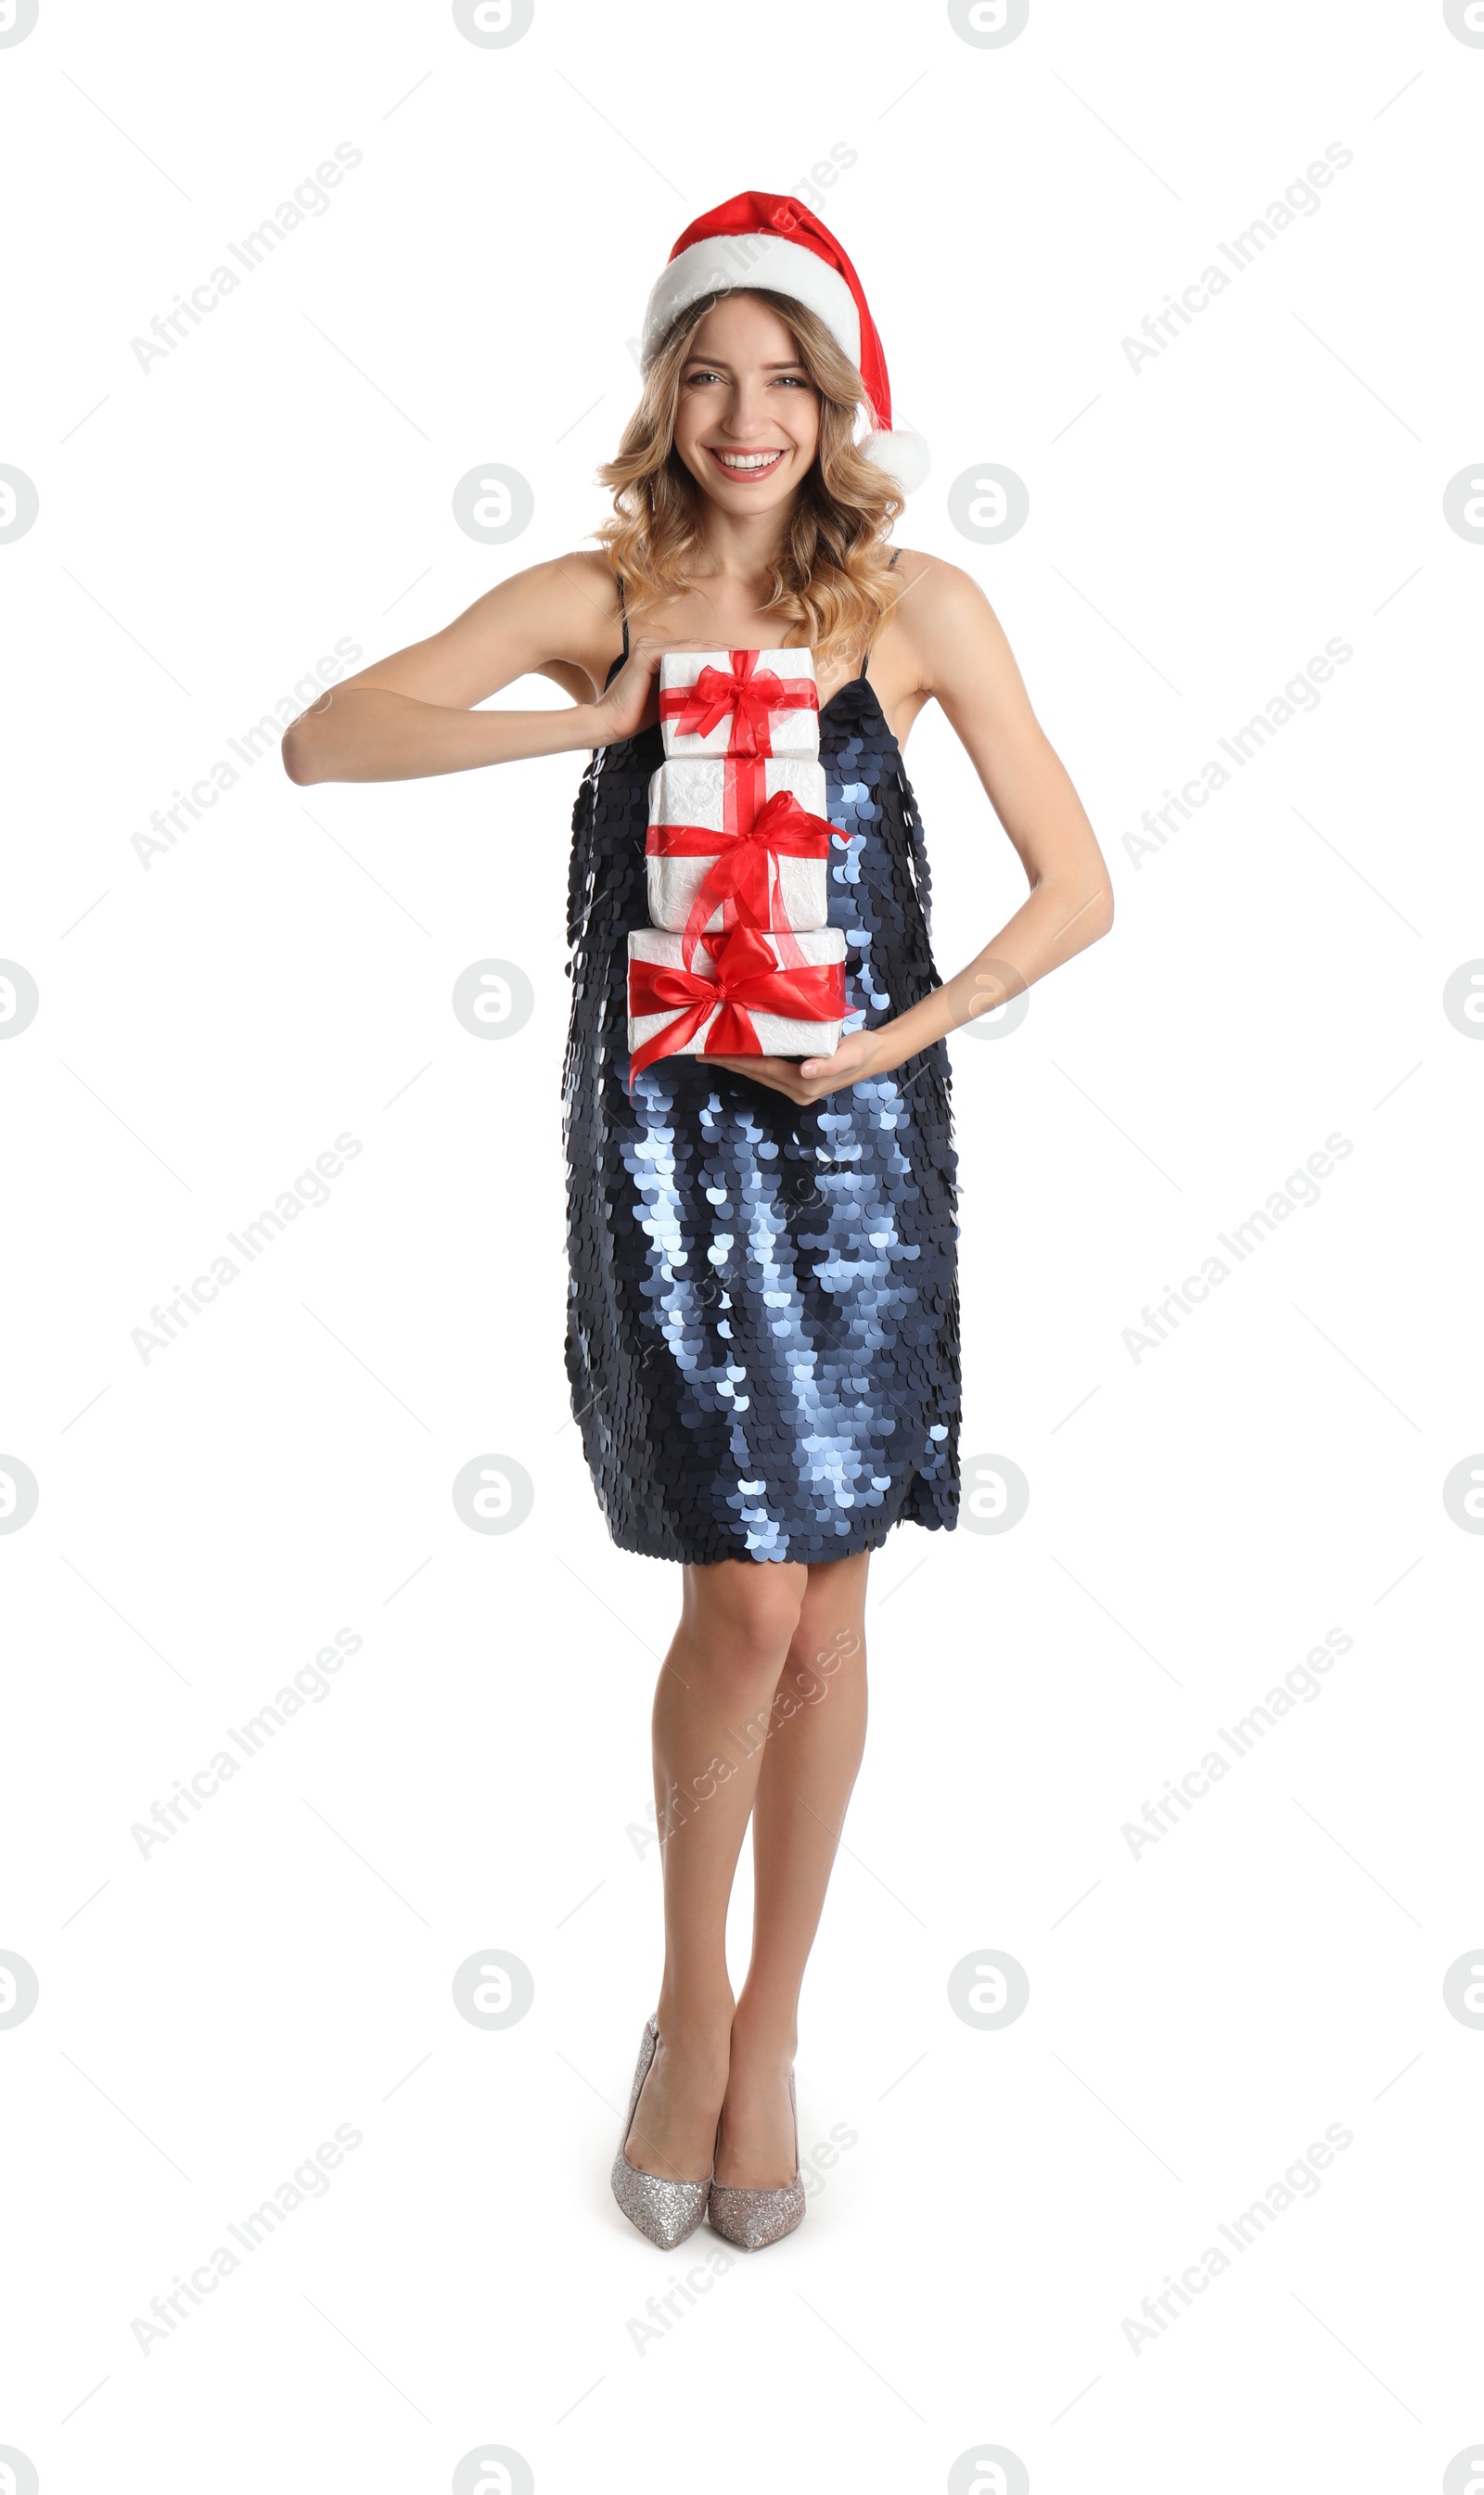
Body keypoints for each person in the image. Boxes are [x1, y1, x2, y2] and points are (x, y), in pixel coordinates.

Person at [283, 192, 1113, 2254]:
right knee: (739, 1594)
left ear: (838, 405)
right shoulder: (604, 594)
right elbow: (327, 737)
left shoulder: (915, 610)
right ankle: (678, 2001)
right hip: (662, 1135)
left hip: (857, 1144)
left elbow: (1073, 885)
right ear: (662, 393)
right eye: (708, 372)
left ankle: (770, 2039)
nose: (747, 414)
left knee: (830, 1609)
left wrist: (900, 1038)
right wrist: (591, 716)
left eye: (786, 377)